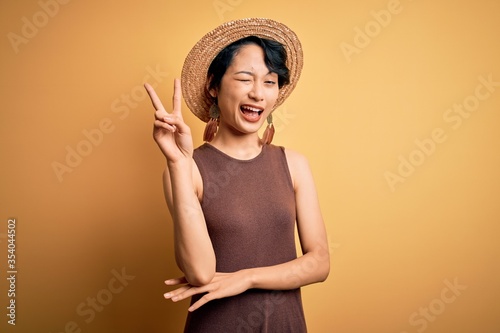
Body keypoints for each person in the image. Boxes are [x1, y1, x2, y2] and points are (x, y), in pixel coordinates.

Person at [145, 18, 329, 332]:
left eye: (270, 82)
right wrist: (178, 162)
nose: (258, 93)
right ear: (214, 86)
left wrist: (246, 278)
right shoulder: (187, 169)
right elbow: (201, 273)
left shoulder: (294, 164)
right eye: (245, 79)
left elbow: (320, 262)